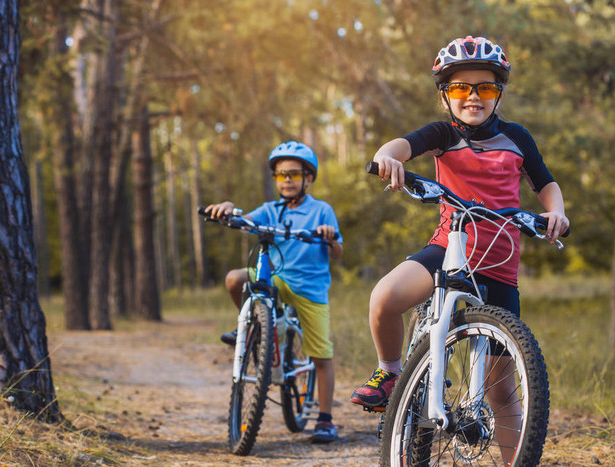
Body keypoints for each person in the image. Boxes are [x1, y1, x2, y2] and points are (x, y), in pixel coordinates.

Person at [349, 36, 570, 463]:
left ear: (498, 93)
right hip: (449, 250)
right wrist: (387, 158)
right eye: (460, 88)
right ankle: (391, 373)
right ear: (445, 96)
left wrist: (555, 212)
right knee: (384, 298)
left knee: (504, 389)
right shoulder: (443, 134)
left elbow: (545, 185)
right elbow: (400, 147)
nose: (472, 96)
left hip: (500, 268)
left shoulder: (517, 138)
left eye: (485, 88)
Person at [206, 141, 344, 444]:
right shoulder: (270, 210)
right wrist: (228, 209)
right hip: (277, 279)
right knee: (234, 278)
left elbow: (338, 253)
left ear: (309, 178)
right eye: (281, 175)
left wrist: (328, 237)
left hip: (310, 287)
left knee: (321, 354)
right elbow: (245, 220)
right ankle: (251, 326)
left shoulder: (322, 210)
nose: (287, 180)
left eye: (294, 174)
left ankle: (325, 420)